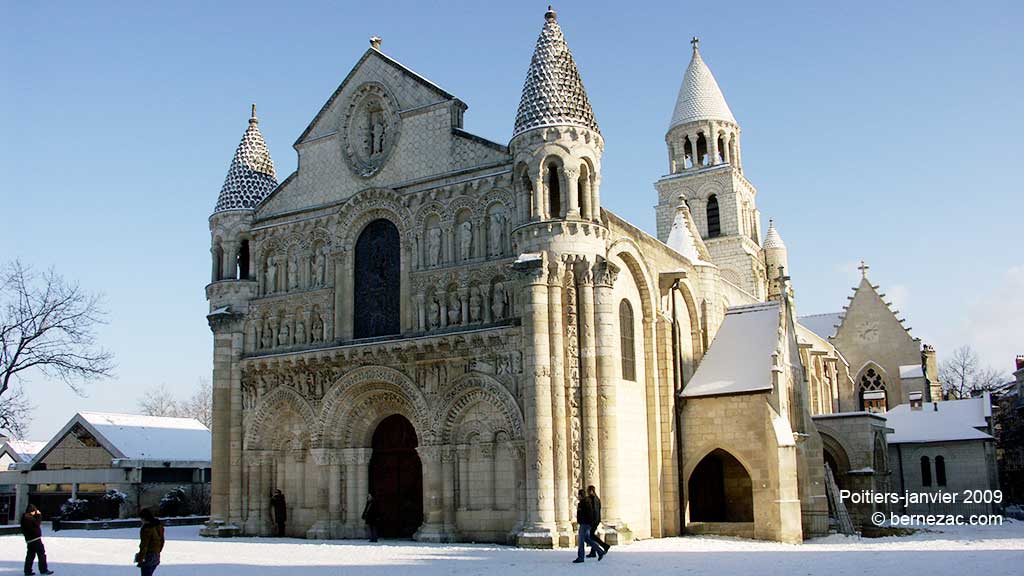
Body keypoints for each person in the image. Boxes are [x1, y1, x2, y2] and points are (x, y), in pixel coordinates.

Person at [573, 488, 604, 563]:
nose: (578, 497)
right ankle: (600, 551)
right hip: (586, 523)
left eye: (579, 495)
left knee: (581, 541)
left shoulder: (584, 503)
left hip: (584, 524)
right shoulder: (586, 502)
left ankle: (581, 557)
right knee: (587, 539)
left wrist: (587, 522)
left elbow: (589, 514)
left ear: (581, 495)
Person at [21, 504, 53, 575]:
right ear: (31, 511)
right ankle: (43, 570)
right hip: (35, 539)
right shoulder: (29, 518)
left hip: (29, 540)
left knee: (30, 555)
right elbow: (37, 524)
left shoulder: (25, 518)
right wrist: (39, 515)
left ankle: (27, 571)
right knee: (41, 554)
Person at [135, 509, 164, 576]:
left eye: (141, 518)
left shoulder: (147, 529)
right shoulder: (159, 526)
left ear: (144, 518)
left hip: (148, 556)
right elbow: (162, 540)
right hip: (156, 555)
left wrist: (140, 558)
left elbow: (144, 545)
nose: (141, 521)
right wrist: (158, 551)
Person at [586, 485, 610, 558]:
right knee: (592, 536)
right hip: (595, 520)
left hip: (594, 521)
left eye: (589, 491)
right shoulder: (595, 498)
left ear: (592, 491)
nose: (588, 492)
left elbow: (595, 511)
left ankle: (604, 546)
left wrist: (593, 521)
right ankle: (593, 551)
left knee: (591, 536)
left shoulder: (594, 499)